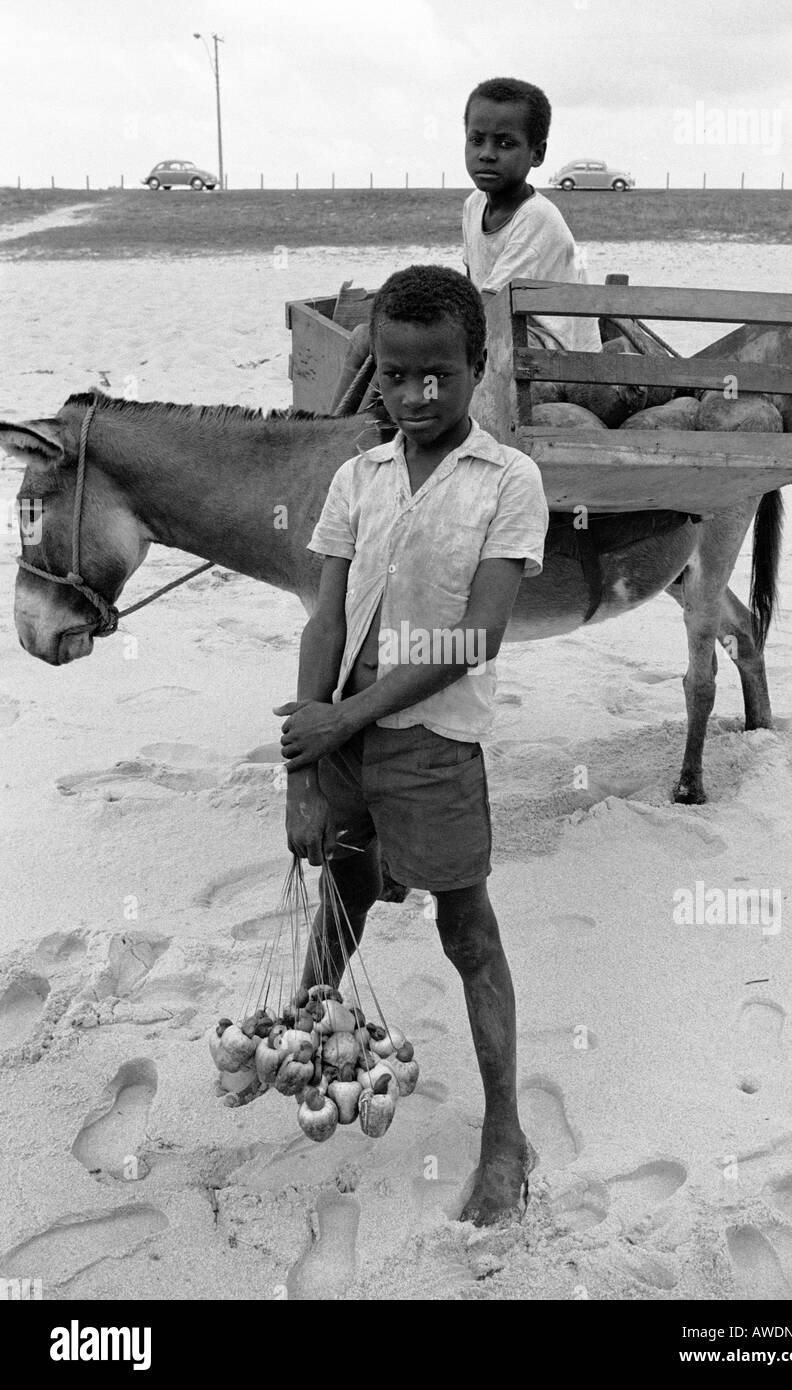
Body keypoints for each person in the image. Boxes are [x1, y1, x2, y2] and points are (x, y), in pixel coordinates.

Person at [274, 265, 549, 1225]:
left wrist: (346, 720)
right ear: (375, 377)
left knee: (465, 931)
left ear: (478, 367)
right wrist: (308, 764)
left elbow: (475, 637)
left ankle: (505, 1133)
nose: (415, 396)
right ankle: (307, 1047)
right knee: (341, 885)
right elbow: (324, 618)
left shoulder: (510, 481)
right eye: (394, 376)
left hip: (431, 744)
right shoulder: (359, 476)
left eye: (437, 375)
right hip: (338, 735)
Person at [462, 76, 600, 354]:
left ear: (537, 153)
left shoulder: (536, 218)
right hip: (499, 332)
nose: (487, 154)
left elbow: (492, 306)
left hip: (551, 351)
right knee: (368, 338)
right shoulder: (473, 205)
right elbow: (471, 288)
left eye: (505, 144)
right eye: (477, 140)